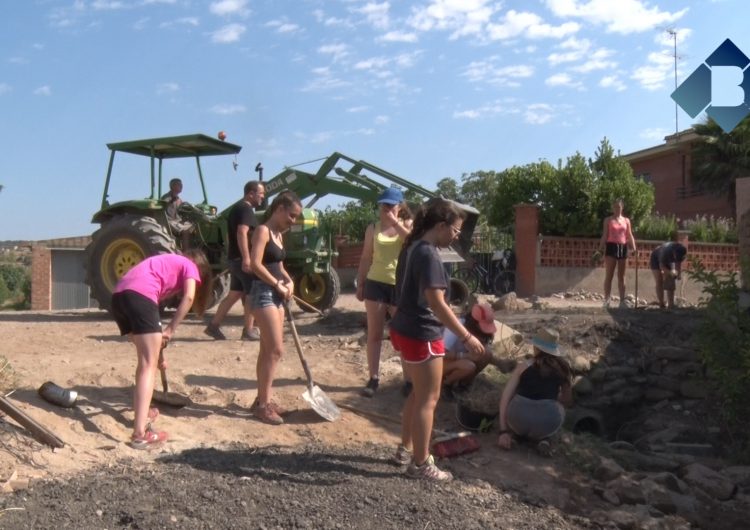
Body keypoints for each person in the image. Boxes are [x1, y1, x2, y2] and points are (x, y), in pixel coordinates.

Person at [389, 198, 485, 481]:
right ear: (441, 225)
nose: (456, 236)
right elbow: (437, 303)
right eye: (455, 230)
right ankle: (420, 465)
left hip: (405, 328)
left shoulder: (412, 246)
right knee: (429, 399)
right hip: (423, 333)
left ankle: (405, 449)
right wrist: (466, 335)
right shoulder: (429, 254)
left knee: (417, 394)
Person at [110, 249, 212, 449]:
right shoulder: (189, 265)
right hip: (140, 295)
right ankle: (140, 434)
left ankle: (144, 412)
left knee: (145, 362)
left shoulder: (164, 261)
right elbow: (189, 298)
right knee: (148, 366)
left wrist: (158, 354)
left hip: (119, 297)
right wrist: (171, 329)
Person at [248, 190, 302, 425]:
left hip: (278, 294)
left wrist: (289, 282)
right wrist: (276, 284)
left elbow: (279, 265)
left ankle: (263, 399)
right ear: (279, 209)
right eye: (291, 215)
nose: (293, 221)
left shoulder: (279, 235)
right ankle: (262, 407)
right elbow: (254, 264)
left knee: (267, 350)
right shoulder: (262, 231)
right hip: (263, 293)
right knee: (276, 350)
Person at [356, 187, 412, 397]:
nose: (386, 208)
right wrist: (360, 283)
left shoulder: (406, 225)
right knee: (375, 334)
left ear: (400, 207)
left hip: (399, 284)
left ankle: (408, 380)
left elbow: (412, 242)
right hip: (375, 282)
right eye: (383, 205)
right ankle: (373, 378)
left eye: (391, 205)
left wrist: (396, 223)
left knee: (402, 333)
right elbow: (364, 257)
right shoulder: (373, 228)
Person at [204, 181, 265, 341]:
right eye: (261, 193)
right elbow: (241, 232)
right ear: (250, 194)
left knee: (234, 294)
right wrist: (246, 258)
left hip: (234, 258)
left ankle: (213, 326)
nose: (263, 197)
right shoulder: (245, 209)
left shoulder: (237, 208)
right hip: (240, 259)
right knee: (252, 292)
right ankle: (248, 330)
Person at [497, 328, 573, 456]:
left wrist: (503, 431)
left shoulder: (523, 366)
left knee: (516, 398)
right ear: (554, 350)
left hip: (517, 419)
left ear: (536, 348)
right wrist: (555, 397)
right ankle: (544, 439)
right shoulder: (563, 369)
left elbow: (505, 396)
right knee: (559, 408)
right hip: (546, 421)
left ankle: (516, 435)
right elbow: (568, 400)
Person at [441, 302, 496, 395]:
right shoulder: (456, 327)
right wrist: (464, 356)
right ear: (474, 322)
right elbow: (440, 353)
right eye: (483, 326)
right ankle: (446, 384)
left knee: (487, 353)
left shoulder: (478, 331)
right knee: (469, 366)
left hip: (461, 360)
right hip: (441, 363)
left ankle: (463, 384)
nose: (484, 330)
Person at [598, 198, 637, 308]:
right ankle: (606, 300)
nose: (617, 209)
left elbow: (629, 235)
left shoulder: (626, 220)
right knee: (609, 275)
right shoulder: (608, 220)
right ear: (612, 208)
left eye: (619, 207)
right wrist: (600, 249)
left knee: (622, 276)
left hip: (623, 247)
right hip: (611, 247)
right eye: (615, 207)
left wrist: (634, 248)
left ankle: (622, 301)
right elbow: (605, 235)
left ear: (622, 207)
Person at [650, 240, 687, 310]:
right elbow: (661, 267)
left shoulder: (681, 251)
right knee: (659, 280)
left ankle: (671, 304)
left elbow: (678, 263)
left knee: (671, 279)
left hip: (669, 260)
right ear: (674, 253)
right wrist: (670, 272)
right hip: (656, 258)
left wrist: (678, 274)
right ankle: (661, 304)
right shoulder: (665, 252)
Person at [161, 178, 194, 248]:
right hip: (169, 221)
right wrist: (171, 199)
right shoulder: (166, 198)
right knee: (186, 231)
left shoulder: (179, 200)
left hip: (178, 222)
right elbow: (163, 207)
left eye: (181, 184)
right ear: (172, 186)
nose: (181, 186)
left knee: (194, 227)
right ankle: (186, 253)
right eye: (179, 184)